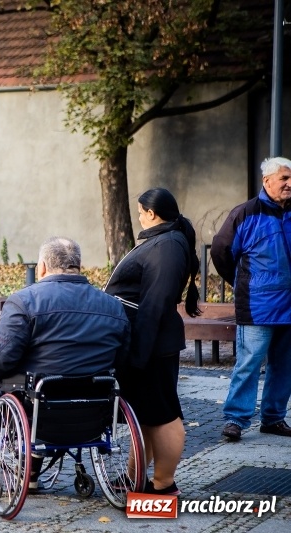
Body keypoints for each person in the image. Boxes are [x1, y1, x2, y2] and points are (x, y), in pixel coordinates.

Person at [0, 237, 130, 490]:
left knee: (16, 386)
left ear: (41, 267)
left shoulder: (24, 301)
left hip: (39, 407)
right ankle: (34, 471)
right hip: (95, 410)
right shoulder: (113, 306)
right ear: (78, 266)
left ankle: (28, 469)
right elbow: (124, 359)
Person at [104, 187, 201, 496]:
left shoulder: (167, 244)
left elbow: (154, 303)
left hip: (153, 344)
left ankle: (163, 485)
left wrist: (138, 353)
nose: (139, 217)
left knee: (163, 414)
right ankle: (136, 479)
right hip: (148, 340)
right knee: (144, 414)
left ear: (152, 213)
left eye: (140, 212)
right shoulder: (162, 241)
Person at [211, 156, 291, 442]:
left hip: (289, 307)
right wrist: (242, 282)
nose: (289, 183)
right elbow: (221, 252)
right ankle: (236, 419)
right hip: (259, 306)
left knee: (285, 365)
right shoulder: (245, 213)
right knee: (249, 362)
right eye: (284, 178)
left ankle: (273, 418)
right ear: (267, 181)